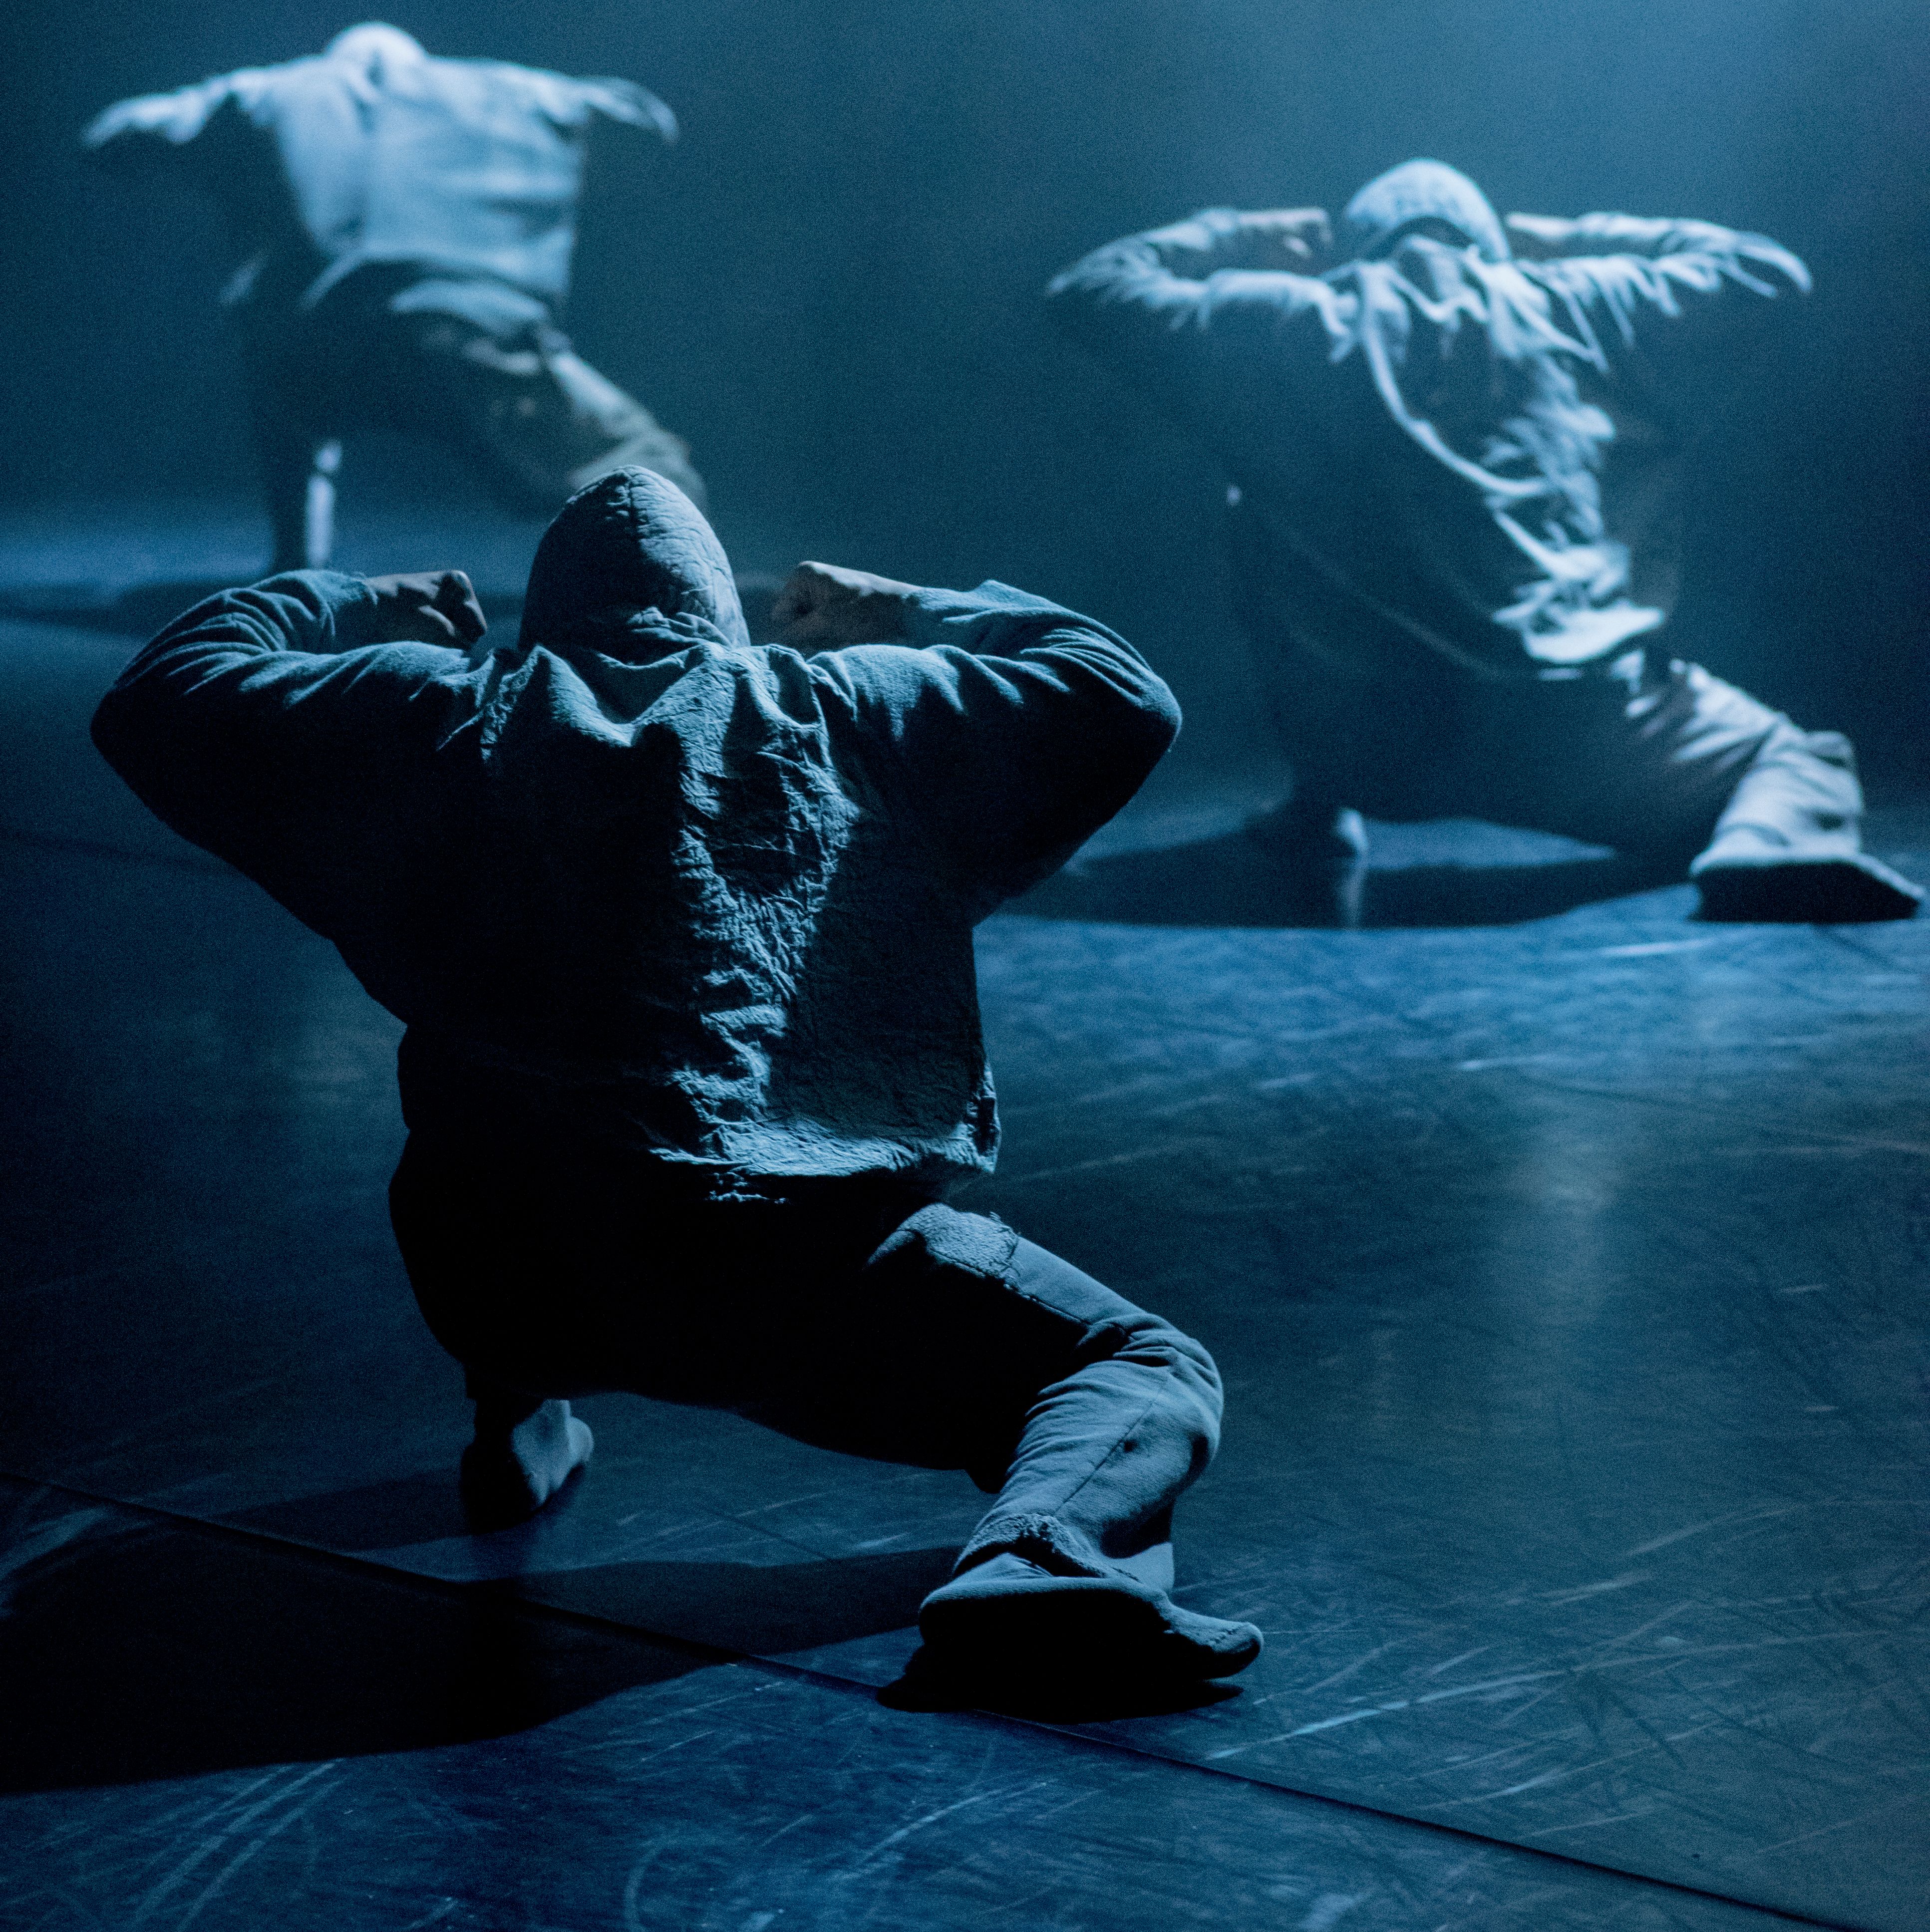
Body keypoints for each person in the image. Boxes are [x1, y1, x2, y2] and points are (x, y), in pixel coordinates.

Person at [90, 467, 1263, 1699]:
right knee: (1136, 1366)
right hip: (776, 1280)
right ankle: (1048, 1562)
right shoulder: (841, 707)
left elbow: (159, 693)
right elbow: (1118, 690)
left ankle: (516, 1420)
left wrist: (354, 598)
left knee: (527, 1104)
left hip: (492, 1275)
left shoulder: (436, 714)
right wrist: (901, 608)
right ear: (719, 613)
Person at [1048, 161, 1919, 924]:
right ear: (1486, 243)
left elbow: (1088, 287)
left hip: (1363, 744)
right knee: (1794, 758)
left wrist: (1238, 233)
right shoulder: (1582, 298)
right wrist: (1571, 238)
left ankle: (1319, 807)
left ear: (1353, 248)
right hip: (1572, 740)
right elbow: (1767, 271)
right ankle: (1767, 847)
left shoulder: (1285, 319)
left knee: (1258, 489)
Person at [82, 23, 705, 569]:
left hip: (315, 352)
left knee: (284, 376)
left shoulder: (264, 92)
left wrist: (226, 154)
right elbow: (646, 119)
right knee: (646, 465)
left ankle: (297, 562)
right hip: (461, 335)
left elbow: (114, 132)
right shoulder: (505, 90)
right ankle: (671, 596)